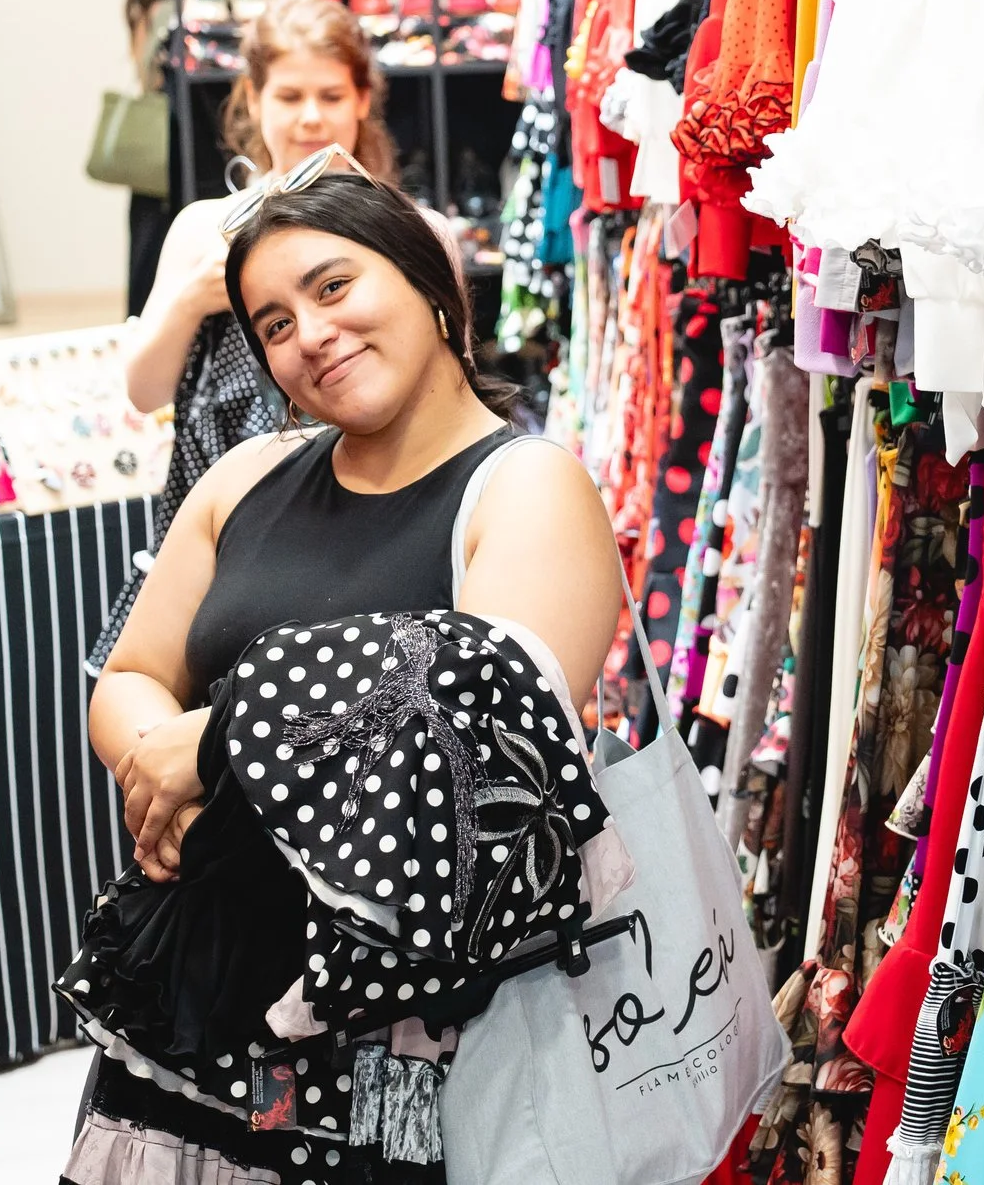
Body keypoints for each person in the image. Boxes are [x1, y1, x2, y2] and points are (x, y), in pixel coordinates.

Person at [78, 163, 625, 1180]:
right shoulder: (242, 480)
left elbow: (477, 734)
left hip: (414, 1033)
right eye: (273, 323)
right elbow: (130, 674)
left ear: (428, 282)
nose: (310, 334)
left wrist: (221, 740)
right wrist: (167, 768)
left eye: (332, 287)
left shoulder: (528, 486)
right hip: (207, 987)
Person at [94, 0, 416, 669]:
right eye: (289, 95)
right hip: (226, 535)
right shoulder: (203, 228)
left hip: (376, 527)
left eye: (330, 95)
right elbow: (143, 390)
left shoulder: (406, 228)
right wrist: (191, 300)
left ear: (362, 98)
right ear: (254, 99)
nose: (310, 117)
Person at [123, 0, 206, 315]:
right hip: (171, 153)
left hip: (152, 164)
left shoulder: (141, 8)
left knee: (144, 251)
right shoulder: (174, 14)